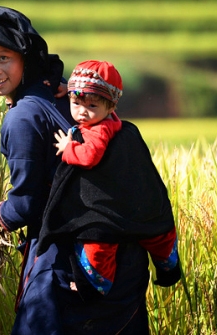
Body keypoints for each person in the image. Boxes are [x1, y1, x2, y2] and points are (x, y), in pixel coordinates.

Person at [0, 6, 154, 334]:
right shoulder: (67, 96)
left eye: (4, 58)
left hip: (69, 265)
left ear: (24, 57)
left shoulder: (22, 118)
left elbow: (24, 207)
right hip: (122, 263)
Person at [51, 60, 181, 296]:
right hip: (141, 206)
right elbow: (88, 100)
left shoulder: (98, 130)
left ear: (111, 107)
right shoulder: (104, 118)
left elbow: (89, 156)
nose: (82, 111)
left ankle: (96, 285)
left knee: (99, 241)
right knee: (157, 233)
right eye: (75, 102)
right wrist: (65, 90)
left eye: (91, 105)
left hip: (108, 212)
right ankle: (167, 262)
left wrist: (68, 147)